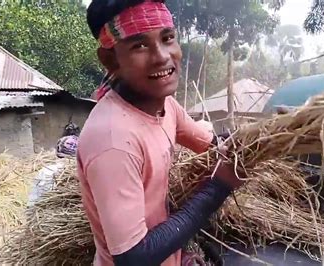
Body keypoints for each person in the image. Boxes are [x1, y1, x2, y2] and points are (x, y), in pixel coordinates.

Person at [78, 1, 243, 266]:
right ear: (110, 60)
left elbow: (214, 146)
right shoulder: (113, 141)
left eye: (167, 38)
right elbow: (134, 257)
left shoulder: (165, 106)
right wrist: (218, 188)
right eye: (139, 45)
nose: (162, 56)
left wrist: (272, 134)